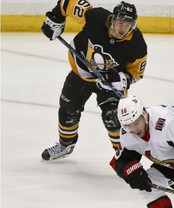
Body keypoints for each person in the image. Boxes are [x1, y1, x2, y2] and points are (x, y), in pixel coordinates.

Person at [40, 0, 147, 160]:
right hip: (81, 73)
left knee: (114, 117)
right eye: (120, 22)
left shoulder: (137, 44)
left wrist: (117, 79)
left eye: (127, 24)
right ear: (112, 19)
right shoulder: (96, 17)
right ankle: (65, 145)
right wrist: (55, 19)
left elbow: (136, 74)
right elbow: (68, 2)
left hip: (109, 83)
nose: (123, 28)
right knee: (68, 108)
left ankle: (126, 157)